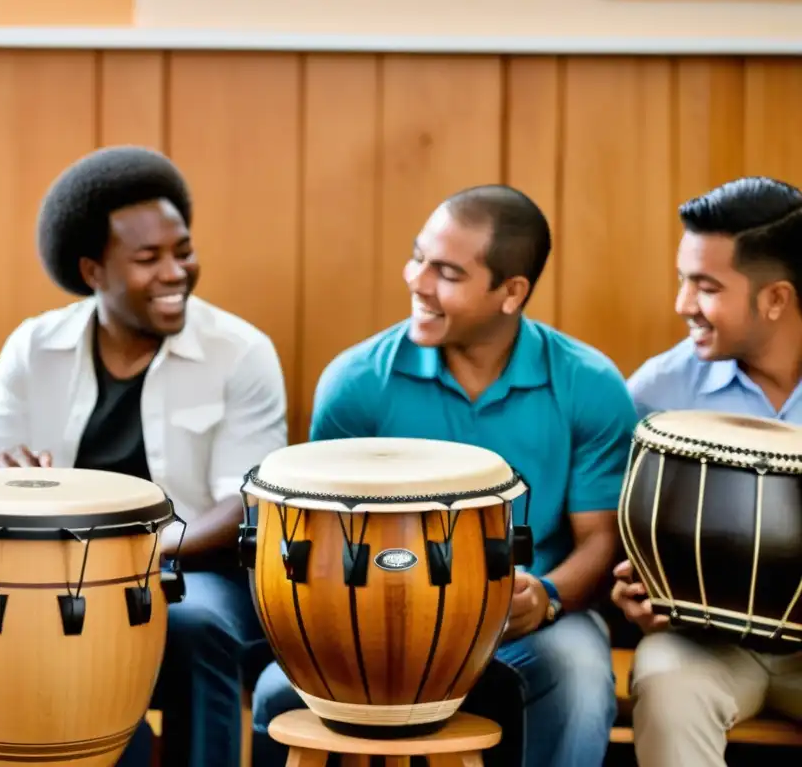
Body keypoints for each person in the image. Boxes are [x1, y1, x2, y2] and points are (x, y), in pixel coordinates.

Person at [251, 184, 638, 767]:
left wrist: (549, 597)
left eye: (448, 273)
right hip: (375, 619)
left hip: (535, 623)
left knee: (583, 682)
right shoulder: (357, 382)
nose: (418, 281)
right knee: (276, 694)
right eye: (418, 257)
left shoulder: (589, 383)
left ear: (511, 292)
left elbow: (600, 539)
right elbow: (310, 537)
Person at [0, 146, 287, 767]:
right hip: (46, 571)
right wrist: (2, 483)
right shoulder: (35, 348)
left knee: (191, 627)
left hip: (196, 576)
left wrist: (140, 553)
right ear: (93, 270)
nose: (176, 271)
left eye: (182, 250)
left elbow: (249, 498)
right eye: (148, 258)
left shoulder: (240, 352)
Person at [612, 176, 802, 766]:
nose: (682, 304)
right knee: (668, 688)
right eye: (683, 279)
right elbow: (620, 533)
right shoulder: (658, 391)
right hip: (703, 647)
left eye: (706, 286)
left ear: (774, 298)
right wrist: (628, 594)